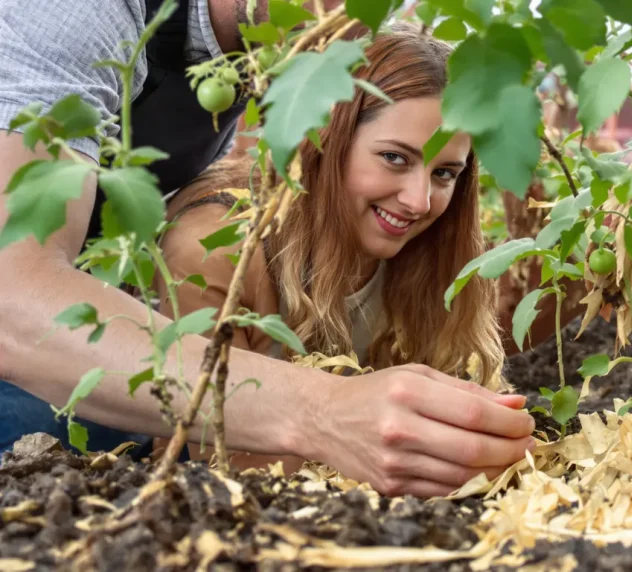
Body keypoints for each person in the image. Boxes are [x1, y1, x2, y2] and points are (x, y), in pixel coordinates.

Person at [0, 0, 536, 498]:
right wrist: (326, 413)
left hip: (86, 309)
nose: (371, 19)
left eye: (445, 172)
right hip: (38, 335)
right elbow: (12, 297)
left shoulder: (257, 53)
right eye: (394, 158)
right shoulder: (76, 14)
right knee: (61, 438)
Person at [153, 27, 511, 474]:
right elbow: (218, 451)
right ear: (327, 141)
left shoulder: (429, 258)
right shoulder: (217, 248)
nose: (419, 201)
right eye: (395, 158)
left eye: (444, 174)